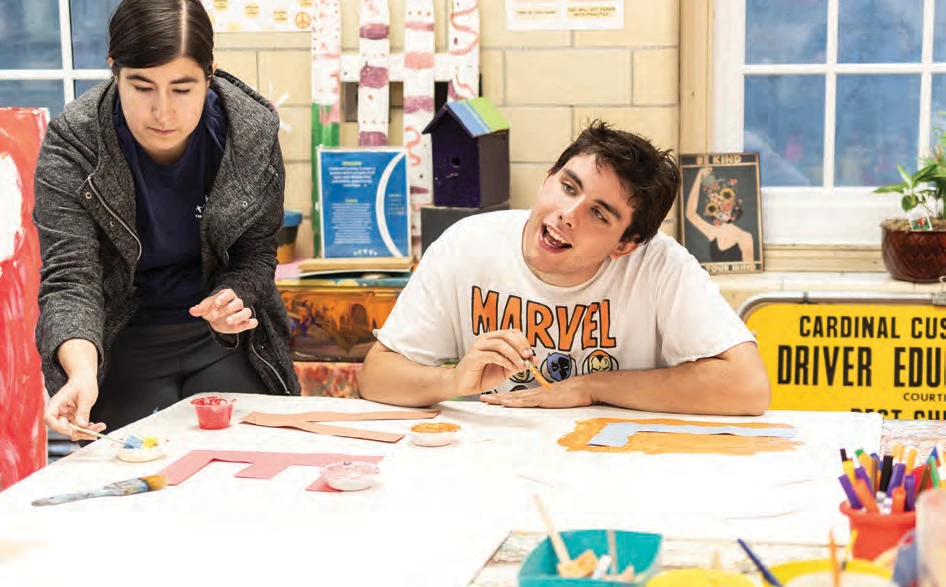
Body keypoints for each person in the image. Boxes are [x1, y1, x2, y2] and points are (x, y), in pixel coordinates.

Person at [358, 121, 771, 416]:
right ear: (547, 179)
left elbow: (748, 388)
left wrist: (589, 387)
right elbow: (376, 377)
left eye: (600, 214)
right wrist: (453, 381)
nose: (568, 214)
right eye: (568, 187)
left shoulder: (661, 265)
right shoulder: (466, 243)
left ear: (626, 244)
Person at [36, 0, 300, 443]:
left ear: (210, 73)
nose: (163, 112)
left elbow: (256, 253)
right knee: (128, 475)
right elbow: (71, 278)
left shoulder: (250, 131)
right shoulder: (74, 144)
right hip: (122, 338)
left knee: (253, 458)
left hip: (222, 340)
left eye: (182, 89)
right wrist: (80, 371)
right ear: (114, 70)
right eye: (141, 87)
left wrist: (231, 299)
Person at [684, 166, 754, 264]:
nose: (723, 209)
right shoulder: (712, 232)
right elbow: (690, 214)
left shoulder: (745, 237)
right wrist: (699, 177)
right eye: (718, 205)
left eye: (726, 204)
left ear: (734, 206)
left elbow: (750, 271)